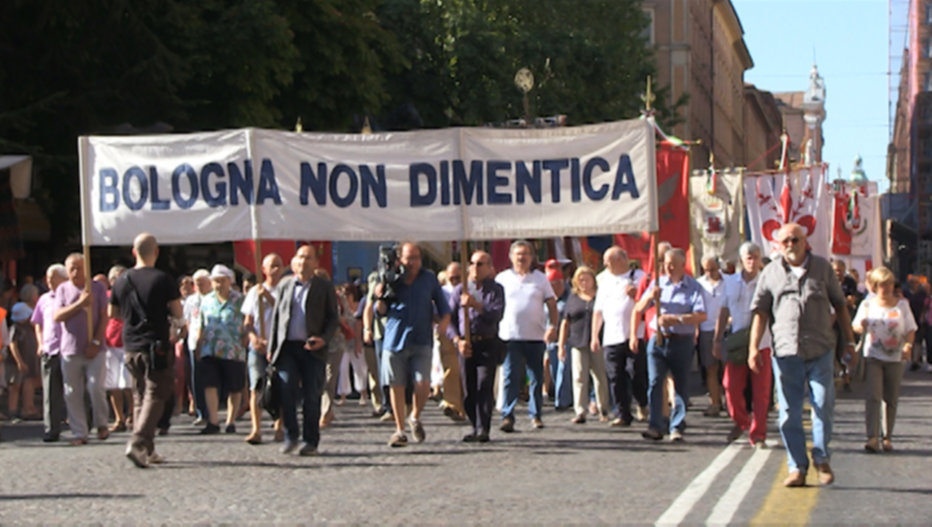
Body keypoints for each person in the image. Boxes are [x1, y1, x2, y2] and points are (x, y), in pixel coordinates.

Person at [750, 223, 857, 487]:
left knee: (823, 404)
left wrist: (850, 342)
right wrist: (753, 348)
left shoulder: (822, 268)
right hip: (786, 353)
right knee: (789, 412)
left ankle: (821, 459)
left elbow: (840, 305)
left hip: (820, 349)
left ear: (804, 241)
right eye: (785, 241)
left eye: (795, 240)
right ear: (778, 245)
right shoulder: (770, 273)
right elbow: (760, 313)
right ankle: (797, 466)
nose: (790, 245)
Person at [109, 233, 183, 468]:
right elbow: (178, 312)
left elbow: (113, 313)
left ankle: (148, 450)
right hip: (156, 344)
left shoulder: (122, 280)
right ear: (157, 251)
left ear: (133, 252)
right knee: (156, 394)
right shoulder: (163, 279)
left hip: (130, 344)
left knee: (140, 394)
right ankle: (138, 442)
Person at [375, 242, 450, 447]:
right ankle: (399, 430)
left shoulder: (429, 279)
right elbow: (380, 310)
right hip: (395, 338)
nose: (413, 262)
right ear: (400, 258)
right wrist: (380, 297)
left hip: (421, 338)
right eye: (409, 258)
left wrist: (442, 325)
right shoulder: (391, 278)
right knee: (396, 385)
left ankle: (415, 416)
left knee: (423, 384)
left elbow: (444, 308)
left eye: (417, 257)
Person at [269, 245, 339, 455]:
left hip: (312, 348)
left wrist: (324, 339)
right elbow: (276, 319)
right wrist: (272, 347)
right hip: (287, 347)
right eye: (300, 257)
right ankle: (291, 435)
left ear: (316, 263)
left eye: (308, 258)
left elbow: (333, 319)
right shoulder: (284, 285)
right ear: (293, 262)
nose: (303, 262)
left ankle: (310, 441)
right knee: (286, 390)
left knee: (311, 395)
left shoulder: (324, 287)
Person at [635, 248, 706, 441]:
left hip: (681, 341)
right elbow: (639, 308)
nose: (669, 267)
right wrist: (650, 297)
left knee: (680, 383)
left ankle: (677, 425)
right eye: (666, 263)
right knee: (655, 382)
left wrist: (677, 320)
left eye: (673, 264)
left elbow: (701, 315)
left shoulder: (693, 287)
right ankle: (656, 425)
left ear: (683, 265)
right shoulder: (657, 284)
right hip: (657, 340)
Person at [852, 266, 916, 453]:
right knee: (873, 396)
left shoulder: (902, 305)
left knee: (891, 398)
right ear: (874, 286)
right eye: (881, 284)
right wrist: (860, 326)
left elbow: (910, 329)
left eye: (888, 284)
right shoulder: (868, 304)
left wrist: (908, 346)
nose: (886, 288)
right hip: (873, 355)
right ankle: (872, 437)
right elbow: (856, 325)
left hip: (896, 357)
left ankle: (887, 437)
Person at [713, 242, 772, 447]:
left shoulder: (766, 281)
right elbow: (723, 311)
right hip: (738, 342)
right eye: (748, 257)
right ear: (741, 260)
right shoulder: (730, 282)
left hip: (763, 342)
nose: (752, 261)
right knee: (730, 386)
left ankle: (758, 434)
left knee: (761, 392)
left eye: (756, 257)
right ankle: (741, 421)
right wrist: (717, 339)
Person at [496, 240, 558, 432]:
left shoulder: (540, 279)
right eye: (518, 254)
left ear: (532, 257)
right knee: (510, 377)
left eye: (525, 254)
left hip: (535, 336)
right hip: (510, 335)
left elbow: (552, 304)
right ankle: (507, 415)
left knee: (536, 377)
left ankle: (536, 414)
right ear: (511, 257)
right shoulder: (502, 278)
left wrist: (553, 326)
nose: (521, 258)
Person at [447, 250, 504, 442]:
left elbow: (496, 314)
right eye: (472, 263)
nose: (475, 268)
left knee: (483, 384)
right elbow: (450, 320)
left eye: (480, 264)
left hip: (487, 342)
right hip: (466, 344)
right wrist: (457, 340)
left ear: (489, 268)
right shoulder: (460, 290)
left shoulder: (496, 290)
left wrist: (475, 305)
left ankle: (483, 428)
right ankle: (474, 424)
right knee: (469, 388)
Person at [53, 253, 110, 446]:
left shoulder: (97, 288)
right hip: (70, 348)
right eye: (72, 268)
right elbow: (58, 315)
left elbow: (104, 317)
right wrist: (79, 304)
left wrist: (96, 341)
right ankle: (79, 432)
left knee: (95, 387)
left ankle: (101, 423)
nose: (76, 272)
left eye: (79, 267)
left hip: (95, 348)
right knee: (72, 392)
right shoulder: (62, 289)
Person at [196, 264, 246, 435]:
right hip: (210, 348)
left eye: (222, 281)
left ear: (229, 281)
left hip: (233, 349)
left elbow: (248, 321)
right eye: (216, 281)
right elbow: (201, 324)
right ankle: (213, 420)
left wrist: (247, 336)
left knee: (234, 387)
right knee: (210, 384)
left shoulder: (240, 300)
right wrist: (198, 344)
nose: (219, 284)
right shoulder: (207, 300)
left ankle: (230, 421)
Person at [593, 247, 639, 426]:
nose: (605, 264)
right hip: (611, 336)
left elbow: (649, 303)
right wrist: (595, 336)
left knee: (635, 373)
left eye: (608, 260)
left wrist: (637, 294)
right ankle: (623, 413)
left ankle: (641, 402)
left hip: (634, 334)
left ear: (621, 260)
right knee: (615, 377)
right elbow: (598, 311)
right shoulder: (604, 281)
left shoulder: (638, 276)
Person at [242, 253, 284, 445]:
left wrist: (268, 296)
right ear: (264, 270)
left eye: (278, 265)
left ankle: (279, 427)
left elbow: (285, 313)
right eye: (271, 266)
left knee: (280, 388)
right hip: (257, 346)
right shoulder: (254, 292)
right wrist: (253, 338)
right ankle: (256, 429)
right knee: (256, 387)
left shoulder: (285, 289)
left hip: (279, 347)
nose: (275, 270)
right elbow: (248, 321)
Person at [559, 266, 609, 424]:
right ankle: (580, 410)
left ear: (593, 280)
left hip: (598, 342)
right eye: (580, 279)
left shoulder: (600, 296)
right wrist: (561, 345)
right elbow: (565, 322)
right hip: (577, 341)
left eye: (586, 278)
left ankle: (603, 409)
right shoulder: (573, 298)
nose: (583, 282)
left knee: (600, 376)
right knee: (579, 376)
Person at [31, 264, 68, 442]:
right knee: (50, 393)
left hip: (69, 349)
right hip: (50, 349)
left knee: (74, 391)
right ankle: (51, 429)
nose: (49, 281)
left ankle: (81, 425)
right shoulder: (44, 299)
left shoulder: (71, 295)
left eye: (53, 277)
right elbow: (38, 323)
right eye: (48, 277)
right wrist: (40, 343)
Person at [103, 265, 133, 433]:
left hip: (127, 342)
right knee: (113, 384)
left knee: (128, 383)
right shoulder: (107, 296)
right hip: (110, 342)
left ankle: (133, 416)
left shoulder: (132, 296)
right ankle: (119, 418)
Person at [696, 255, 726, 417]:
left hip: (727, 328)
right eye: (706, 270)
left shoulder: (729, 281)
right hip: (707, 329)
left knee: (729, 368)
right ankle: (715, 403)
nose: (709, 273)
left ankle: (732, 402)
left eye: (712, 269)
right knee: (711, 367)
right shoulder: (699, 284)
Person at [437, 262, 467, 421]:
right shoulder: (442, 292)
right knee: (451, 369)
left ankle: (466, 406)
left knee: (465, 370)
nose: (454, 280)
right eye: (451, 277)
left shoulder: (468, 289)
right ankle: (452, 404)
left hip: (466, 333)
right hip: (447, 333)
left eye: (457, 277)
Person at [184, 269, 211, 424]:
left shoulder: (213, 299)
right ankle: (202, 412)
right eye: (197, 283)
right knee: (196, 379)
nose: (200, 286)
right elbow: (188, 320)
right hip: (194, 342)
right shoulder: (191, 300)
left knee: (211, 379)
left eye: (203, 283)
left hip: (212, 343)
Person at [544, 259, 572, 411]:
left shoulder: (569, 296)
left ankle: (562, 401)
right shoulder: (545, 296)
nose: (555, 287)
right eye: (552, 284)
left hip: (567, 338)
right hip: (549, 339)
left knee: (564, 368)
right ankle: (559, 396)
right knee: (554, 369)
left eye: (557, 283)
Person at [6, 302, 40, 420]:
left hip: (28, 361)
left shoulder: (29, 327)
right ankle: (12, 411)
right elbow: (12, 345)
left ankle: (28, 408)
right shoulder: (15, 328)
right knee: (15, 386)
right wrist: (19, 361)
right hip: (16, 363)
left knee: (28, 383)